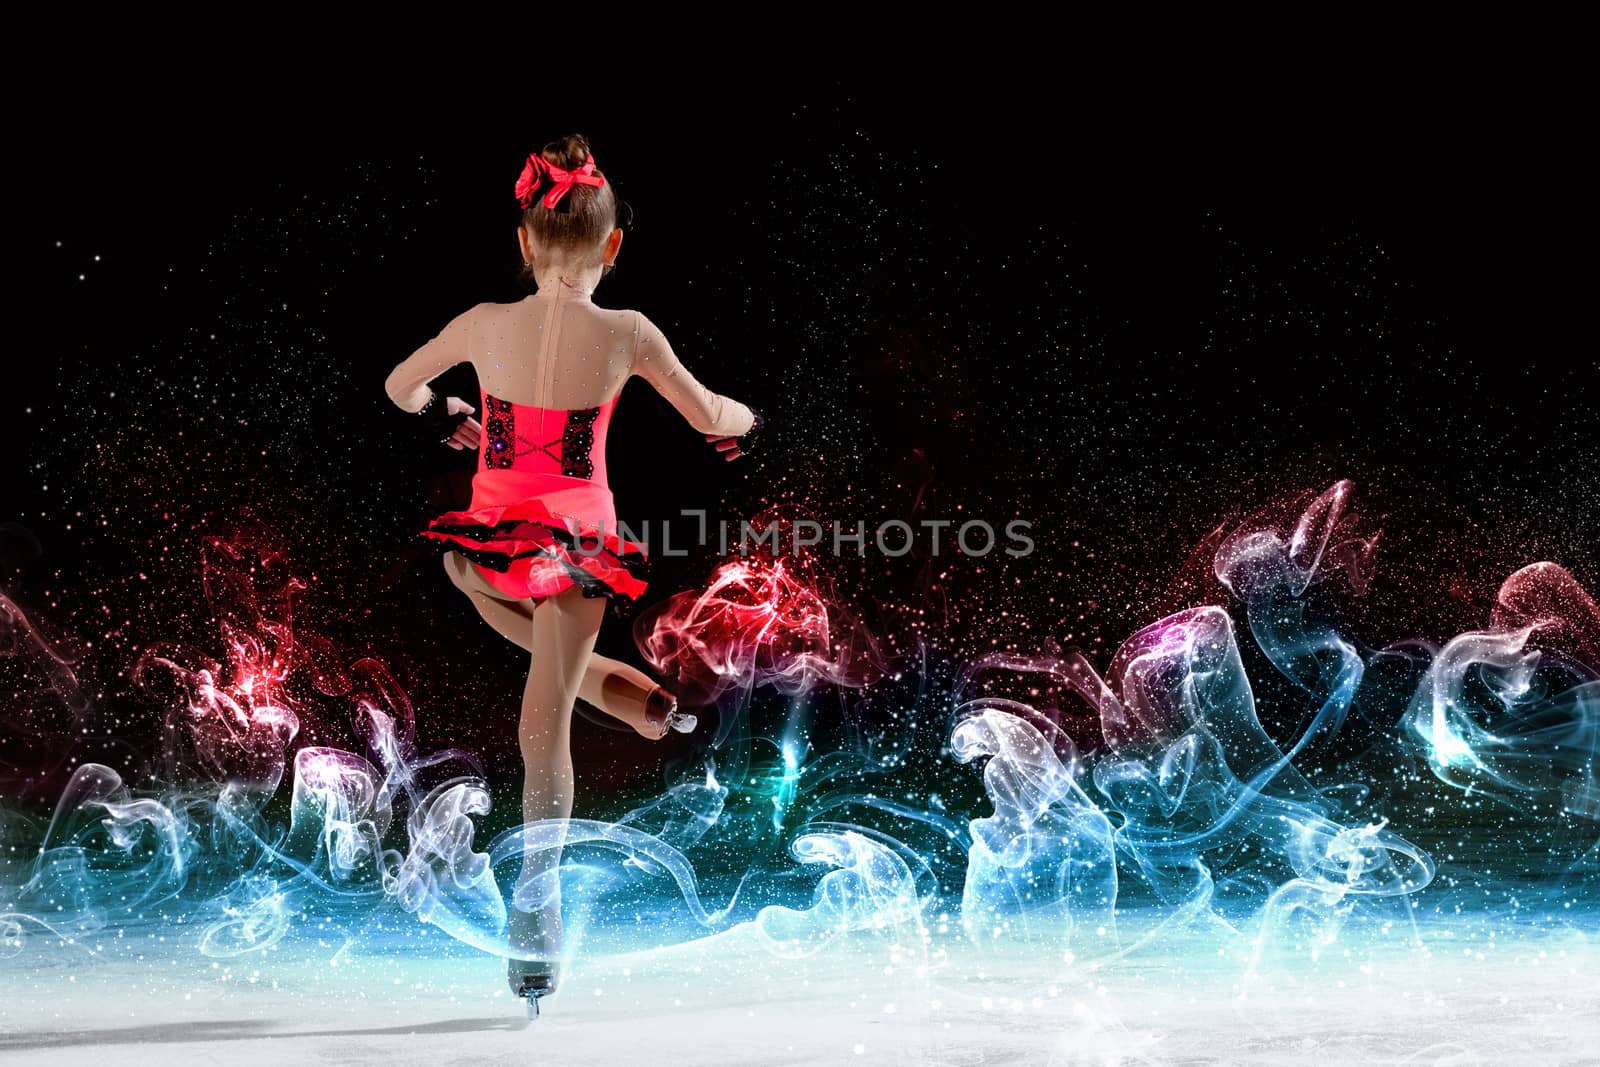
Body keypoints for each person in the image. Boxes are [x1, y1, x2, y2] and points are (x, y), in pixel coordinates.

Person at [382, 134, 763, 1012]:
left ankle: (541, 887)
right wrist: (752, 424)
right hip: (577, 551)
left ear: (524, 241)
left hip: (497, 542)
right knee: (541, 720)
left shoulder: (483, 321)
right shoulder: (627, 331)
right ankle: (539, 902)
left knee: (463, 574)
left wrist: (445, 412)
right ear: (613, 247)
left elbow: (401, 385)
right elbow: (712, 413)